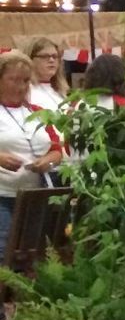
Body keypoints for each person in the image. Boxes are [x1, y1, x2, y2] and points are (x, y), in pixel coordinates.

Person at [0, 51, 63, 256]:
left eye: (26, 80)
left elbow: (56, 150)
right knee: (4, 250)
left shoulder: (38, 112)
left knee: (33, 252)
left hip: (35, 194)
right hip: (3, 195)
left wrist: (48, 161)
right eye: (14, 80)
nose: (20, 86)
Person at [23, 38, 69, 111]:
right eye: (45, 56)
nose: (51, 60)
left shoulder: (62, 91)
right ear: (30, 59)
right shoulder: (24, 91)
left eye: (54, 56)